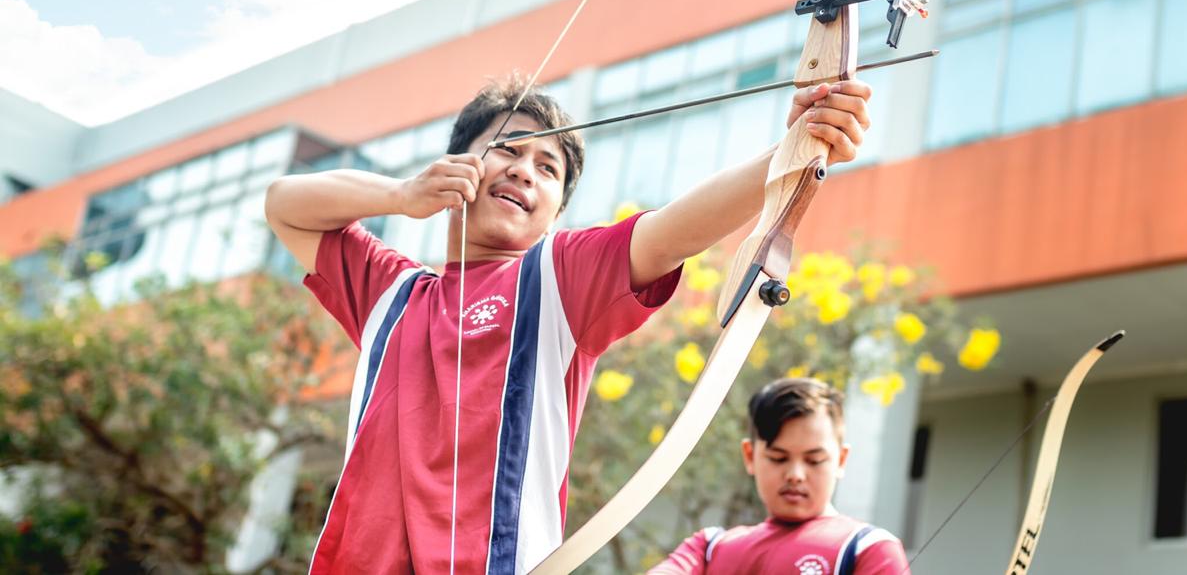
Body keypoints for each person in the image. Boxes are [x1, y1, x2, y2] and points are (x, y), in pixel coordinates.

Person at [264, 75, 871, 574]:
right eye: (507, 147)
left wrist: (794, 146)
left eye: (548, 167)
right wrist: (402, 195)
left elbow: (673, 230)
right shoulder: (389, 293)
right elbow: (284, 205)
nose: (526, 170)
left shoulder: (557, 279)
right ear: (458, 164)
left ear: (556, 211)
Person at [649, 377, 910, 575]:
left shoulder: (867, 549)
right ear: (750, 456)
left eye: (814, 460)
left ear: (841, 460)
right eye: (778, 458)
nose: (795, 475)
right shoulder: (709, 548)